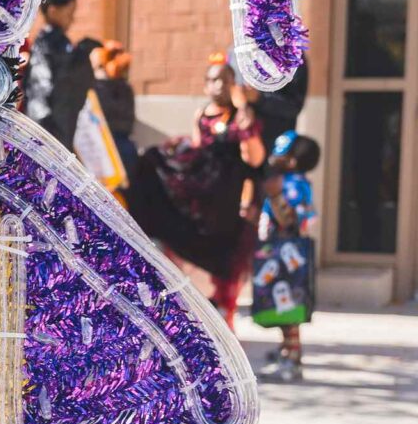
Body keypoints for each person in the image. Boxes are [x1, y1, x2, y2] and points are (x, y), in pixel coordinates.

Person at [121, 54, 263, 324]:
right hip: (205, 191)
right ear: (204, 86)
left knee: (226, 260)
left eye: (224, 80)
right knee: (152, 161)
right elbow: (198, 154)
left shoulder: (242, 117)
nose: (218, 85)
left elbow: (254, 159)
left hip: (229, 195)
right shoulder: (202, 115)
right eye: (212, 80)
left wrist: (243, 110)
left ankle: (226, 315)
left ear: (233, 83)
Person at [250, 130, 320, 383]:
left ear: (291, 161)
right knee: (280, 307)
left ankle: (293, 358)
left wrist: (276, 195)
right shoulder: (291, 181)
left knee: (289, 310)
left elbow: (290, 219)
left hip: (287, 258)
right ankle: (285, 351)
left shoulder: (293, 185)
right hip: (275, 257)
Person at [22, 0, 96, 149]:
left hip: (61, 122)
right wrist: (43, 125)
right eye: (69, 13)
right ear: (53, 10)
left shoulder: (60, 43)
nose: (72, 19)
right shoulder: (47, 43)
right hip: (49, 127)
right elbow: (39, 85)